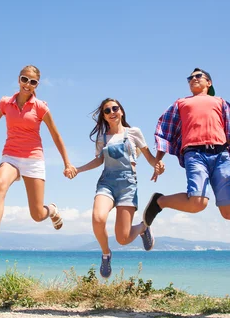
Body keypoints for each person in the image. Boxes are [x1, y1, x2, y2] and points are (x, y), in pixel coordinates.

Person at [142, 68, 230, 229]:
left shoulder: (221, 102)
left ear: (209, 82)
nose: (193, 79)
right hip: (194, 154)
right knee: (197, 203)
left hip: (221, 156)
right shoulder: (181, 103)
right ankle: (160, 201)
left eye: (198, 76)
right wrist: (157, 161)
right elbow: (166, 132)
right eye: (190, 78)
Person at [0, 65, 76, 258]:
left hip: (33, 159)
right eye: (24, 79)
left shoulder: (40, 107)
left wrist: (67, 163)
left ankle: (52, 210)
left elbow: (56, 136)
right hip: (10, 156)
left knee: (37, 215)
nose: (28, 84)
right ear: (19, 79)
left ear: (37, 84)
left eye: (33, 82)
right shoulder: (5, 103)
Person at [67, 98, 164, 278]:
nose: (112, 112)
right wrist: (78, 170)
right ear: (104, 117)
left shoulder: (134, 132)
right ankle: (106, 253)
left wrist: (157, 165)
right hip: (107, 182)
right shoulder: (102, 138)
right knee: (98, 217)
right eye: (107, 110)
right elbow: (99, 160)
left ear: (121, 111)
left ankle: (143, 228)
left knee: (123, 238)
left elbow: (149, 157)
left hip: (128, 184)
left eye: (115, 108)